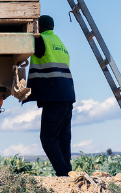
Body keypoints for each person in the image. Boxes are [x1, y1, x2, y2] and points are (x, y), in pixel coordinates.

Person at [25, 15, 75, 176]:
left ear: (38, 28)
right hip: (67, 94)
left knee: (47, 137)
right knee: (63, 137)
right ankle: (67, 172)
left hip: (54, 94)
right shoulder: (59, 42)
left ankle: (63, 171)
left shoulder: (41, 41)